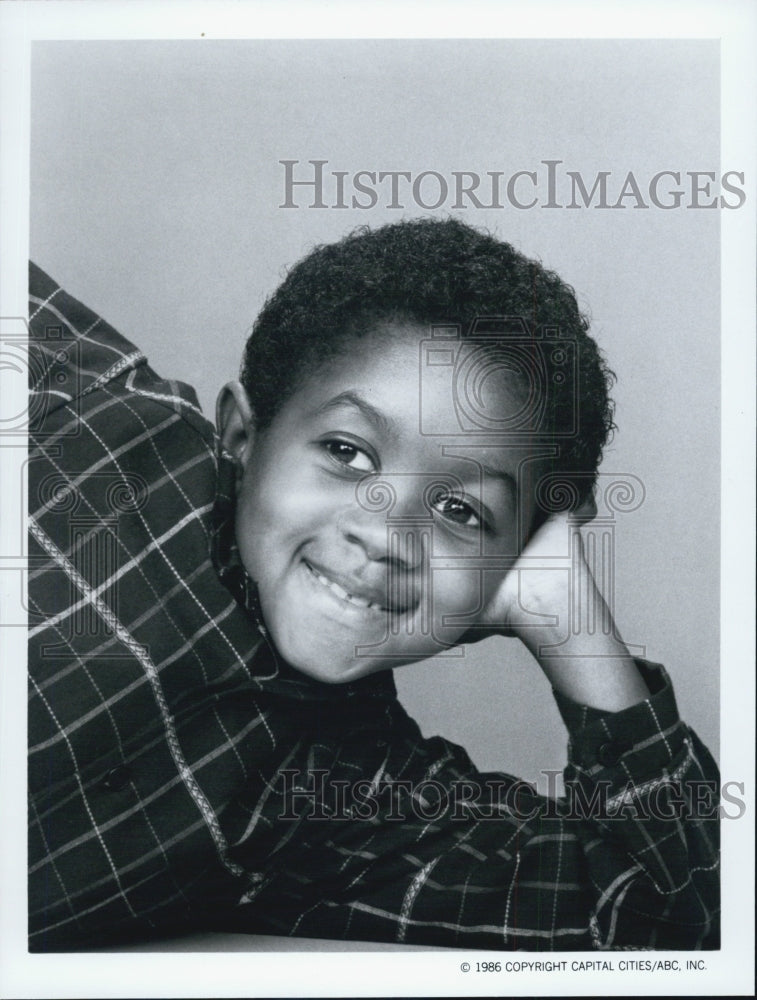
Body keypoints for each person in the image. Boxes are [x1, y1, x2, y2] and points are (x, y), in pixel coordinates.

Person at [28, 218, 719, 951]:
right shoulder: (83, 413)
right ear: (240, 433)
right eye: (347, 453)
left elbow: (663, 916)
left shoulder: (340, 804)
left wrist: (569, 621)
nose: (387, 536)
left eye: (462, 512)